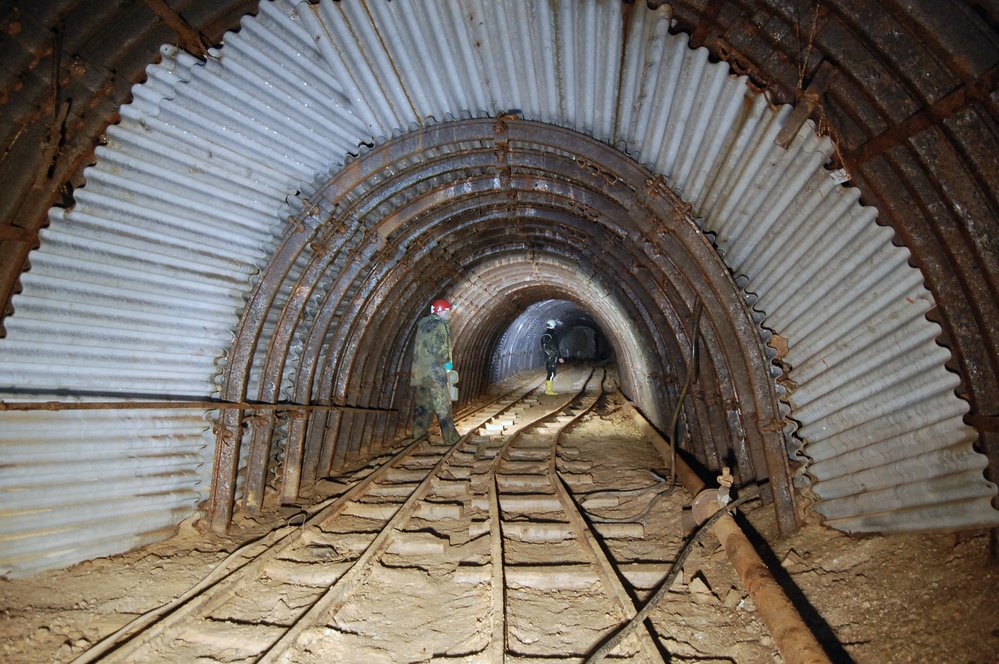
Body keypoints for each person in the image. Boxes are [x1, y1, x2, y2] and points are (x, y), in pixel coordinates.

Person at [411, 298, 461, 445]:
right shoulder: (439, 325)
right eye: (448, 311)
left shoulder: (422, 324)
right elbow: (439, 349)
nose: (449, 314)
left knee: (423, 407)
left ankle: (417, 438)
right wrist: (447, 363)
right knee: (443, 406)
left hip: (420, 374)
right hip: (435, 374)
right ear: (442, 311)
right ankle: (451, 438)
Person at [541, 318, 564, 395]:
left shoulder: (544, 335)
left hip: (547, 357)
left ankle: (548, 387)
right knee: (552, 373)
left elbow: (543, 346)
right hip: (552, 356)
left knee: (549, 372)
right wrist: (559, 357)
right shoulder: (553, 335)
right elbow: (555, 347)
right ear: (553, 326)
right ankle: (548, 390)